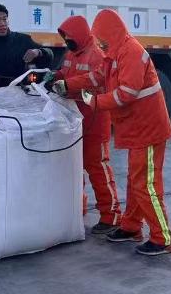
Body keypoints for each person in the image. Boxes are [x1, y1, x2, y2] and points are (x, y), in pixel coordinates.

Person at [87, 9, 171, 256]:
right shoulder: (114, 53)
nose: (100, 44)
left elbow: (126, 93)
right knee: (137, 181)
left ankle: (162, 238)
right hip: (137, 128)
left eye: (102, 39)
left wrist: (94, 102)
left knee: (146, 184)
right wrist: (68, 85)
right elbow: (96, 77)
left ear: (111, 34)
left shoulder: (131, 52)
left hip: (147, 129)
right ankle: (131, 226)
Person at [46, 15, 120, 234]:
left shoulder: (96, 55)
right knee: (74, 167)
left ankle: (111, 216)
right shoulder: (72, 53)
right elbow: (66, 73)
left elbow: (97, 85)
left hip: (95, 120)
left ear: (79, 34)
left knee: (97, 168)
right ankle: (78, 206)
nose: (67, 41)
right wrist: (56, 76)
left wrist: (68, 85)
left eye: (69, 37)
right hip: (75, 119)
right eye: (65, 37)